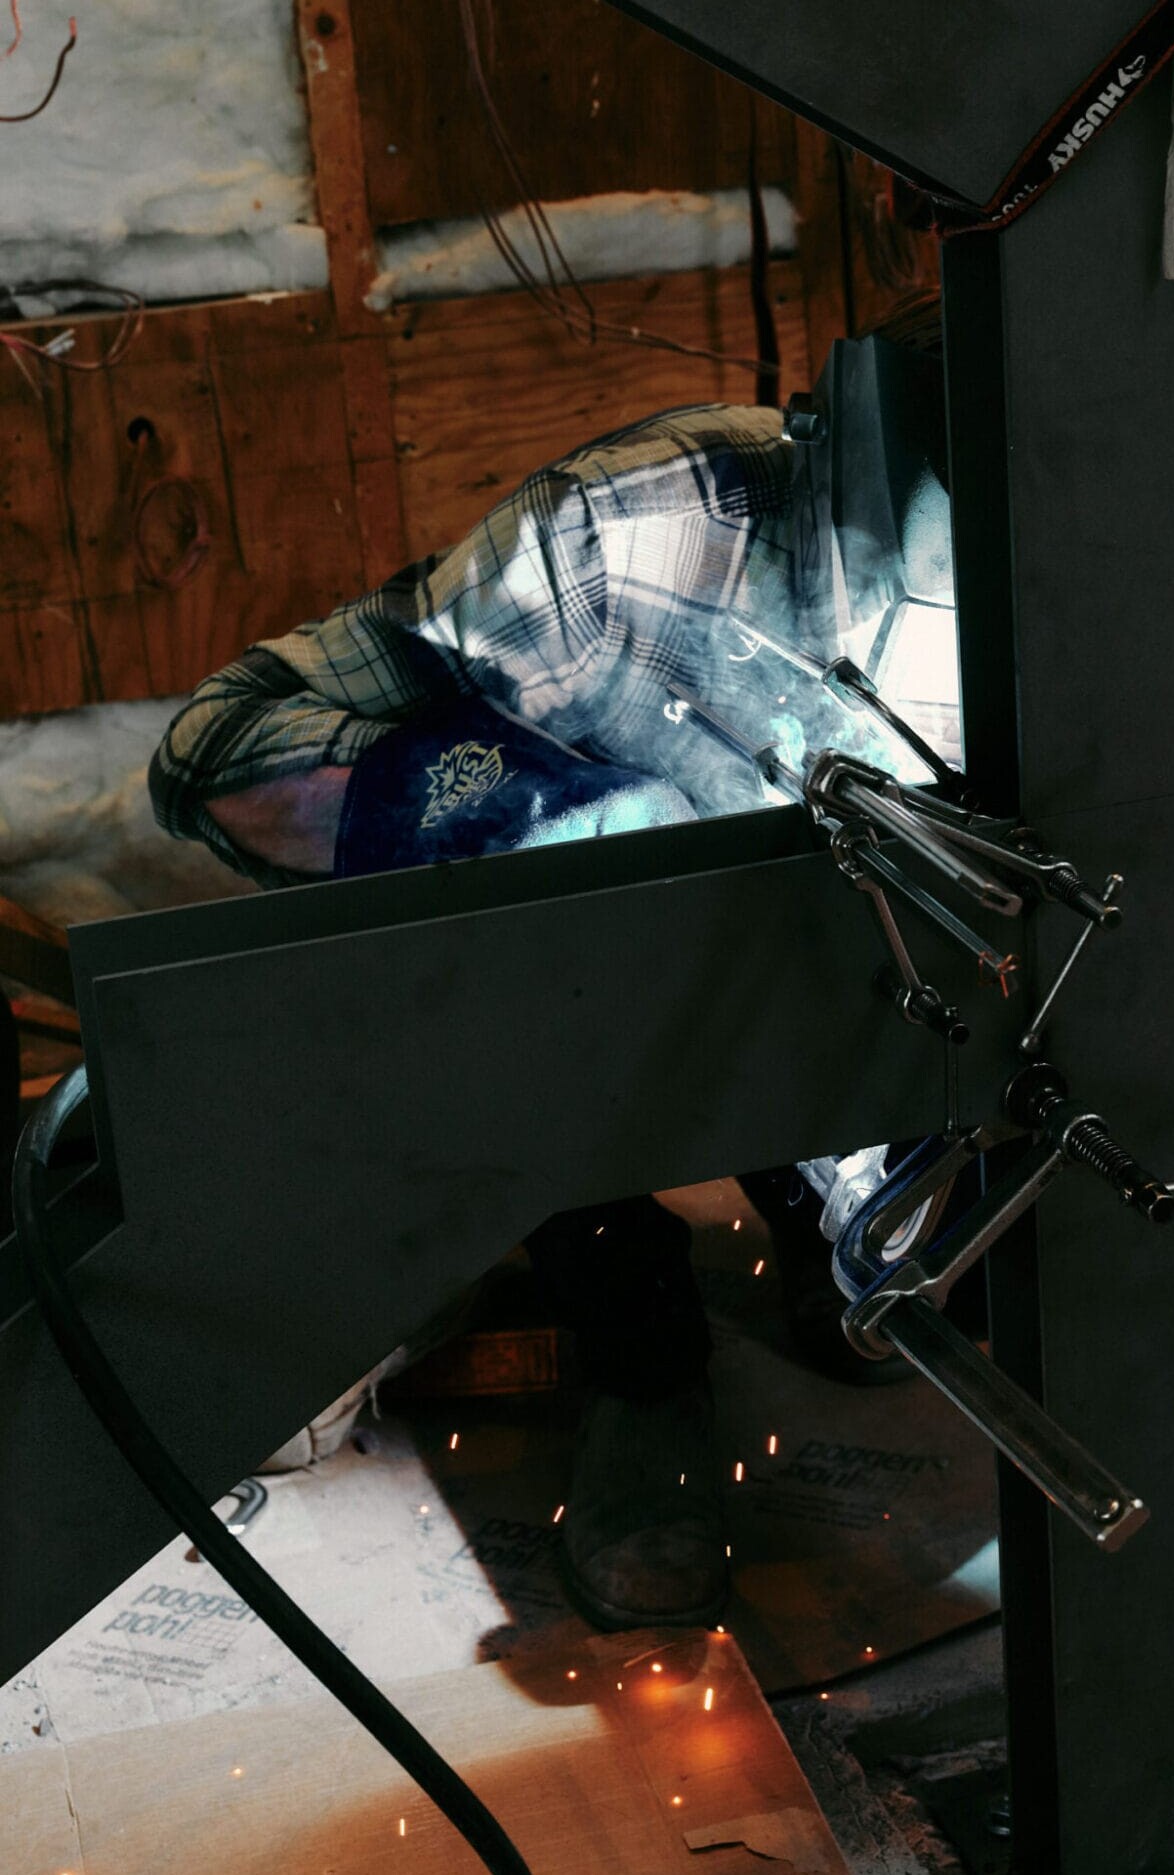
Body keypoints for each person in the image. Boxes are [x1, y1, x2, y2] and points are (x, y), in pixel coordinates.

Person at [149, 305, 955, 1634]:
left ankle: (829, 1228)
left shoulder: (1123, 616)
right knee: (583, 925)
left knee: (888, 1266)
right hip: (608, 980)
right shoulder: (630, 539)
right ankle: (636, 1350)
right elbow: (216, 744)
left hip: (841, 973)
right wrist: (528, 820)